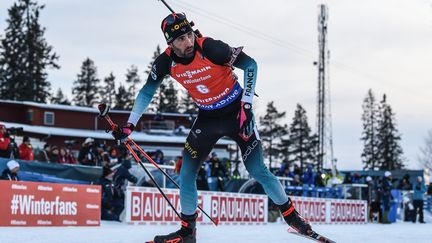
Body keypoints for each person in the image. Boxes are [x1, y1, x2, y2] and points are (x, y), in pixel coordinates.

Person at [112, 12, 315, 243]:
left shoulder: (210, 47)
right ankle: (187, 232)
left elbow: (250, 65)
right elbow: (147, 91)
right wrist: (130, 124)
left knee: (258, 170)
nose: (188, 42)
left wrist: (247, 104)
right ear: (170, 43)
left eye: (189, 35)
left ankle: (293, 219)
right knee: (186, 173)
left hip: (237, 113)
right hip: (207, 118)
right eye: (180, 39)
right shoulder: (165, 62)